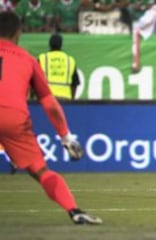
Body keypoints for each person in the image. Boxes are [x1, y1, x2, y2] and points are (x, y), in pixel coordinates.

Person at [0, 11, 102, 224]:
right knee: (41, 171)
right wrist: (65, 137)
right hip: (12, 116)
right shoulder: (27, 59)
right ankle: (74, 210)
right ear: (19, 32)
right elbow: (49, 103)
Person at [38, 34, 80, 100]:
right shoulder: (70, 60)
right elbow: (75, 84)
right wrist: (72, 100)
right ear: (61, 45)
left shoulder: (42, 58)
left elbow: (34, 81)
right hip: (65, 98)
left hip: (47, 98)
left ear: (49, 44)